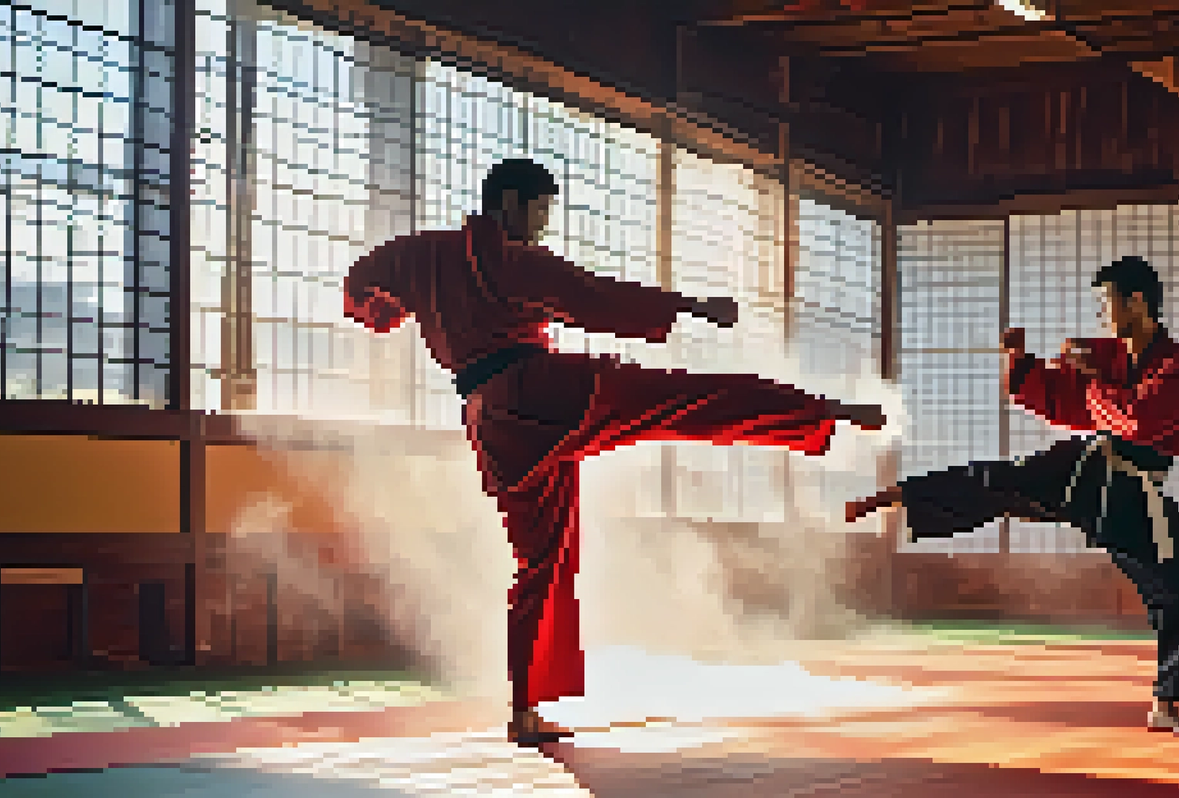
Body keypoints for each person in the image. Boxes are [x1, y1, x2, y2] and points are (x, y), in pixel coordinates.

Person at [344, 157, 885, 746]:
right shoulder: (513, 259)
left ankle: (524, 712)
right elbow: (594, 298)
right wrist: (694, 308)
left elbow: (361, 280)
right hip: (544, 396)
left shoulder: (423, 255)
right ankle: (822, 412)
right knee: (681, 402)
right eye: (540, 211)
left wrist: (383, 314)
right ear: (510, 204)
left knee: (540, 563)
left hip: (492, 426)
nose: (543, 226)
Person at [845, 256, 1179, 738]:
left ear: (1137, 302)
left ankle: (1166, 705)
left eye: (1108, 301)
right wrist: (1018, 362)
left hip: (1133, 496)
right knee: (1002, 482)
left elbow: (1142, 420)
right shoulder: (1110, 356)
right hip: (1088, 470)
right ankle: (897, 496)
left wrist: (1091, 379)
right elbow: (1063, 399)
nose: (1102, 313)